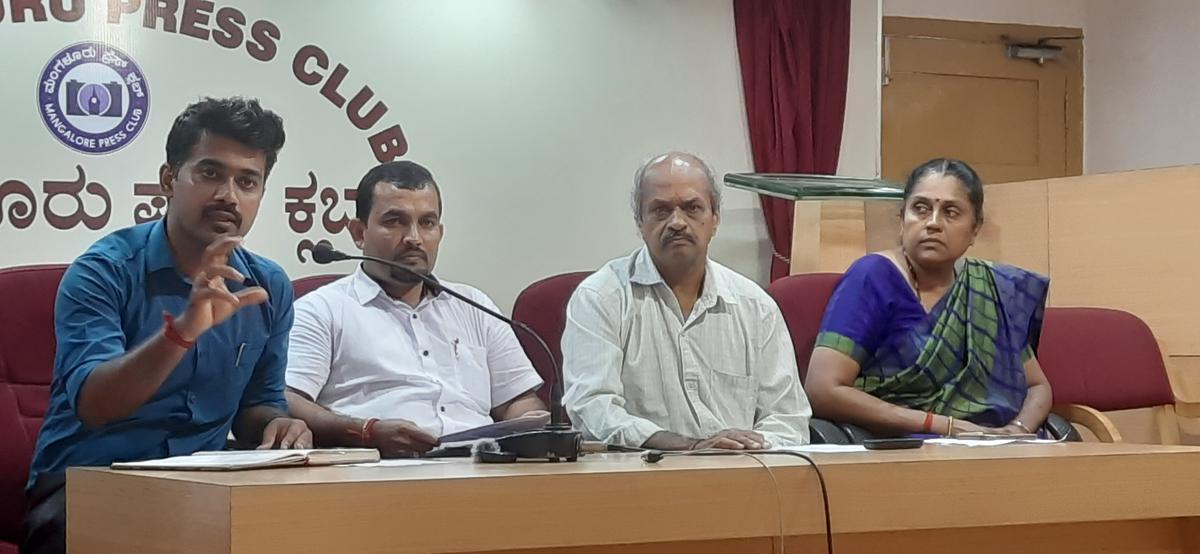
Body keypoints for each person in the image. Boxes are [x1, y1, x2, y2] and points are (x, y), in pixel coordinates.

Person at [23, 97, 310, 554]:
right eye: (210, 173)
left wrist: (281, 427)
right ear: (169, 179)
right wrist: (181, 333)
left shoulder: (268, 286)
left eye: (247, 181)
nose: (228, 195)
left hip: (205, 490)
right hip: (87, 489)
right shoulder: (103, 271)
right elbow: (96, 405)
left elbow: (258, 404)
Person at [284, 161, 546, 458]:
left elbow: (517, 401)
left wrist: (532, 424)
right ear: (359, 232)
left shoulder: (474, 305)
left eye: (427, 223)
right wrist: (366, 431)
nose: (414, 238)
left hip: (480, 469)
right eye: (395, 221)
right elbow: (289, 398)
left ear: (440, 232)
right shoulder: (322, 310)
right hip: (378, 474)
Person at [562, 152, 811, 450]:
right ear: (640, 221)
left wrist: (742, 448)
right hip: (641, 476)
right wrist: (686, 446)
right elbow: (591, 409)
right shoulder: (601, 298)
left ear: (715, 217)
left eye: (692, 208)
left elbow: (789, 419)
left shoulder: (755, 306)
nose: (677, 222)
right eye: (660, 210)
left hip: (744, 476)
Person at [804, 158, 1052, 438]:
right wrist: (940, 425)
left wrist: (1017, 430)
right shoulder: (873, 277)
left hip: (993, 450)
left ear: (974, 229)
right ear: (902, 220)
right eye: (920, 209)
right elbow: (823, 389)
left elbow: (1038, 386)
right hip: (902, 450)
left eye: (951, 212)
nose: (933, 223)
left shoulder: (989, 290)